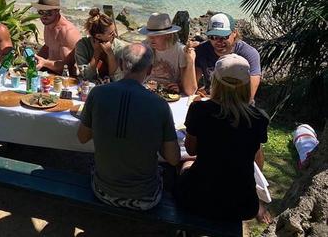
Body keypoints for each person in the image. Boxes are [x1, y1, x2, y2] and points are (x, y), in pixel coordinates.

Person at [77, 43, 180, 210]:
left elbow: (82, 137)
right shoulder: (160, 105)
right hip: (145, 198)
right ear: (149, 70)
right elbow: (173, 158)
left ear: (122, 64)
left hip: (103, 191)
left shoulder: (98, 93)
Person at [176, 54, 269, 222]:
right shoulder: (258, 118)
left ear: (215, 82)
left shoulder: (200, 110)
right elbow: (257, 157)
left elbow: (191, 149)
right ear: (247, 84)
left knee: (185, 164)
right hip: (243, 204)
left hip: (198, 198)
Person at [195, 12, 261, 102]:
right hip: (211, 101)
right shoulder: (202, 50)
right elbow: (190, 89)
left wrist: (214, 99)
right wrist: (189, 59)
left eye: (224, 36)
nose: (218, 41)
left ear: (234, 33)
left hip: (240, 106)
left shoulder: (249, 54)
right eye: (213, 37)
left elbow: (248, 97)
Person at [139, 13, 197, 96]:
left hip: (167, 94)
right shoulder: (144, 47)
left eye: (156, 35)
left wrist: (191, 61)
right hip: (146, 91)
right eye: (149, 34)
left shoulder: (180, 51)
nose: (151, 38)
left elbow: (190, 91)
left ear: (168, 35)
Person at [32, 0, 81, 75]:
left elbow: (68, 66)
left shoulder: (67, 32)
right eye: (41, 12)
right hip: (50, 73)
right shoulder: (48, 24)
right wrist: (35, 60)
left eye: (48, 13)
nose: (44, 16)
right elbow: (48, 46)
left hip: (67, 78)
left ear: (57, 11)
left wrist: (45, 63)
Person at [74, 8, 124, 82]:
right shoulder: (82, 45)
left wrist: (110, 54)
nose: (115, 35)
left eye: (115, 31)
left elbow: (116, 79)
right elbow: (87, 76)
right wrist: (96, 52)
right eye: (111, 33)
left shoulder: (119, 47)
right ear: (98, 36)